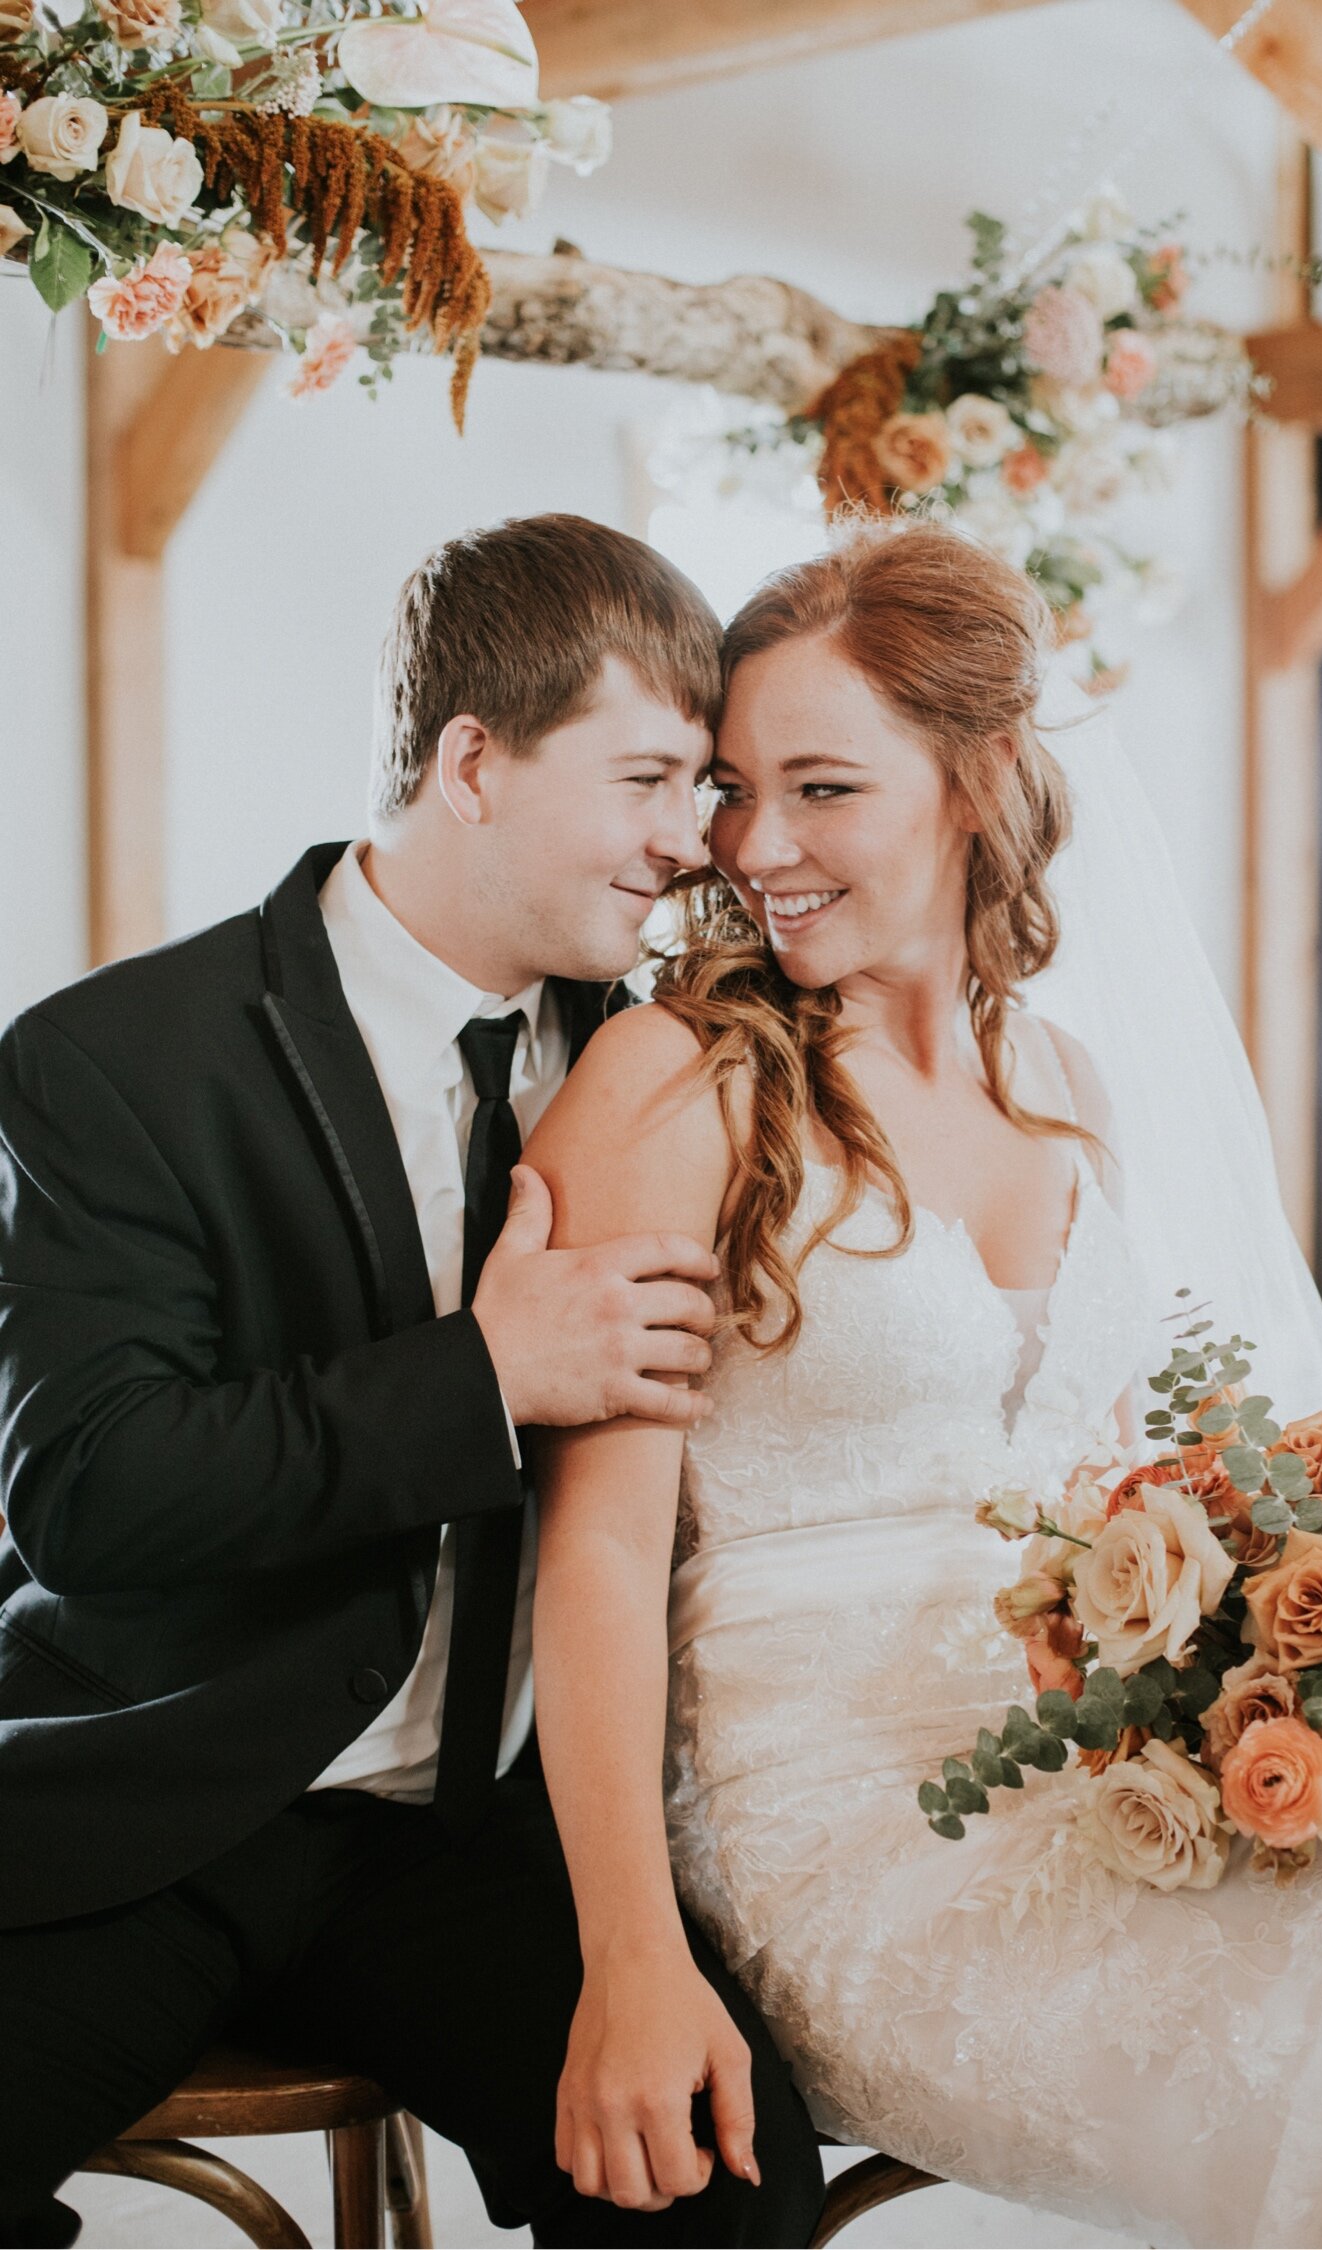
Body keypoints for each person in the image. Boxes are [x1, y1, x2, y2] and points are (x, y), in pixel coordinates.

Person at [525, 520, 1322, 2250]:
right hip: (838, 1831)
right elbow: (596, 1557)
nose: (754, 845)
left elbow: (1134, 1492)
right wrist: (631, 1959)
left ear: (976, 783)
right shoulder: (679, 1082)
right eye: (737, 790)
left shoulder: (1068, 1084)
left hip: (1098, 1766)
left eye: (824, 788)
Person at [0, 515, 825, 2250]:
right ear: (472, 761)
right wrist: (481, 1372)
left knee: (725, 2178)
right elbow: (85, 1488)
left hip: (480, 1836)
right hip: (161, 1805)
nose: (696, 844)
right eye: (651, 779)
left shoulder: (650, 1055)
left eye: (707, 787)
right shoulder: (114, 1060)